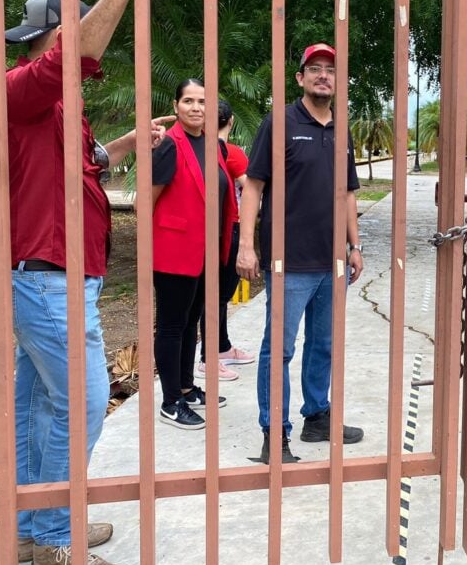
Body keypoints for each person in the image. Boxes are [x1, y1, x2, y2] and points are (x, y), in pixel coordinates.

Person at [0, 0, 158, 565]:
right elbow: (68, 64)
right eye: (74, 39)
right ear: (55, 40)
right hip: (44, 280)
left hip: (56, 280)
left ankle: (33, 526)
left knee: (37, 407)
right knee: (81, 404)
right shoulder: (11, 91)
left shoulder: (61, 115)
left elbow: (79, 171)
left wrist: (130, 143)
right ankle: (57, 539)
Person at [237, 42, 365, 464]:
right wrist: (246, 245)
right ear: (300, 78)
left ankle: (317, 417)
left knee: (324, 344)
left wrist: (355, 246)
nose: (323, 75)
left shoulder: (341, 128)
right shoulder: (280, 122)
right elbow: (253, 186)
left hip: (332, 261)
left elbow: (347, 192)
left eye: (330, 69)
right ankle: (275, 432)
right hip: (288, 261)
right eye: (315, 69)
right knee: (281, 349)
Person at [151, 79, 238, 429]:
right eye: (188, 101)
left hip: (205, 251)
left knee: (191, 322)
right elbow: (149, 199)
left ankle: (186, 388)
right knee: (172, 326)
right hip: (175, 250)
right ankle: (170, 401)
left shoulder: (211, 145)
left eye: (202, 101)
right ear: (176, 106)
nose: (196, 108)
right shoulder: (170, 145)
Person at [196, 99, 254, 382]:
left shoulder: (201, 150)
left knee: (216, 294)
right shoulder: (232, 153)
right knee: (218, 295)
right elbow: (250, 190)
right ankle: (209, 357)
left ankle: (221, 347)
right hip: (230, 229)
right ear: (230, 121)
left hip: (209, 231)